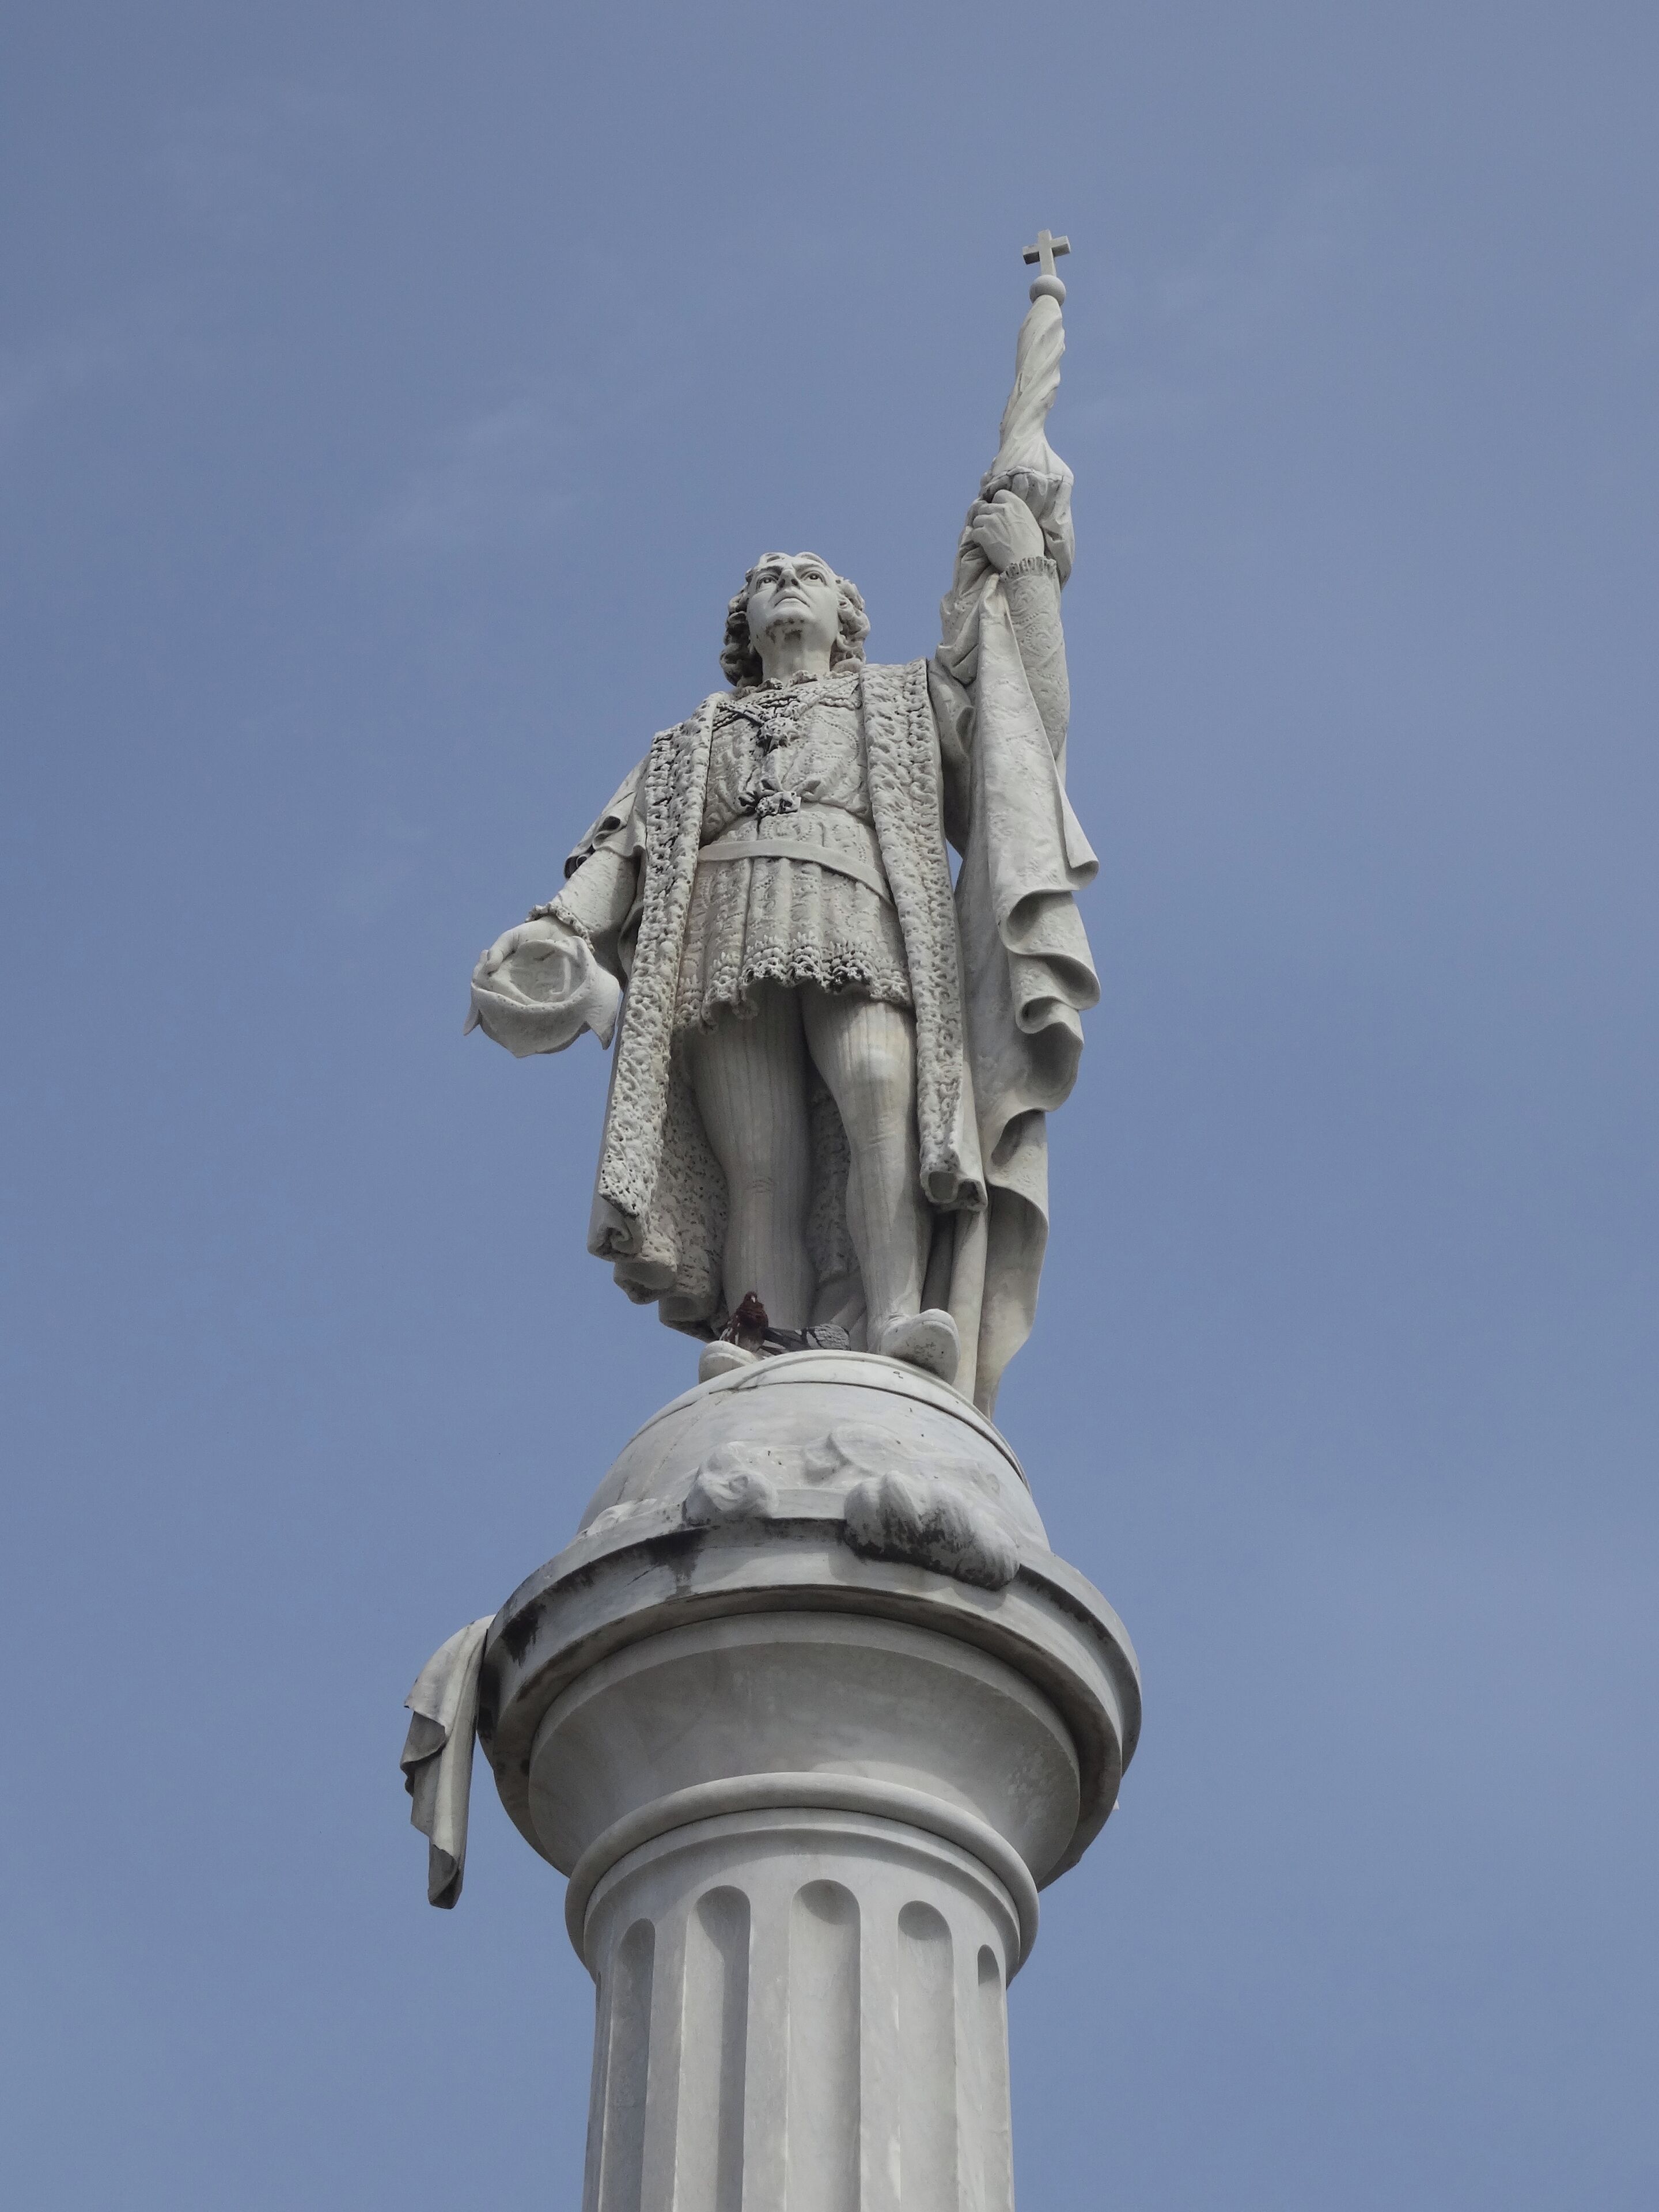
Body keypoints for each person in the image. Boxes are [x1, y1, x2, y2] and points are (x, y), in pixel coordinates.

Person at [469, 296, 1098, 1416]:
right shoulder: (687, 743)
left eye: (807, 573)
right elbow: (623, 851)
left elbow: (1022, 733)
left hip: (861, 915)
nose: (786, 580)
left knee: (880, 1096)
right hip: (721, 930)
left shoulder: (899, 701)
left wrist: (1028, 579)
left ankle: (900, 1314)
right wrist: (560, 926)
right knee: (759, 1156)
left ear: (847, 618)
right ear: (744, 623)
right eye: (767, 576)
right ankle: (760, 1332)